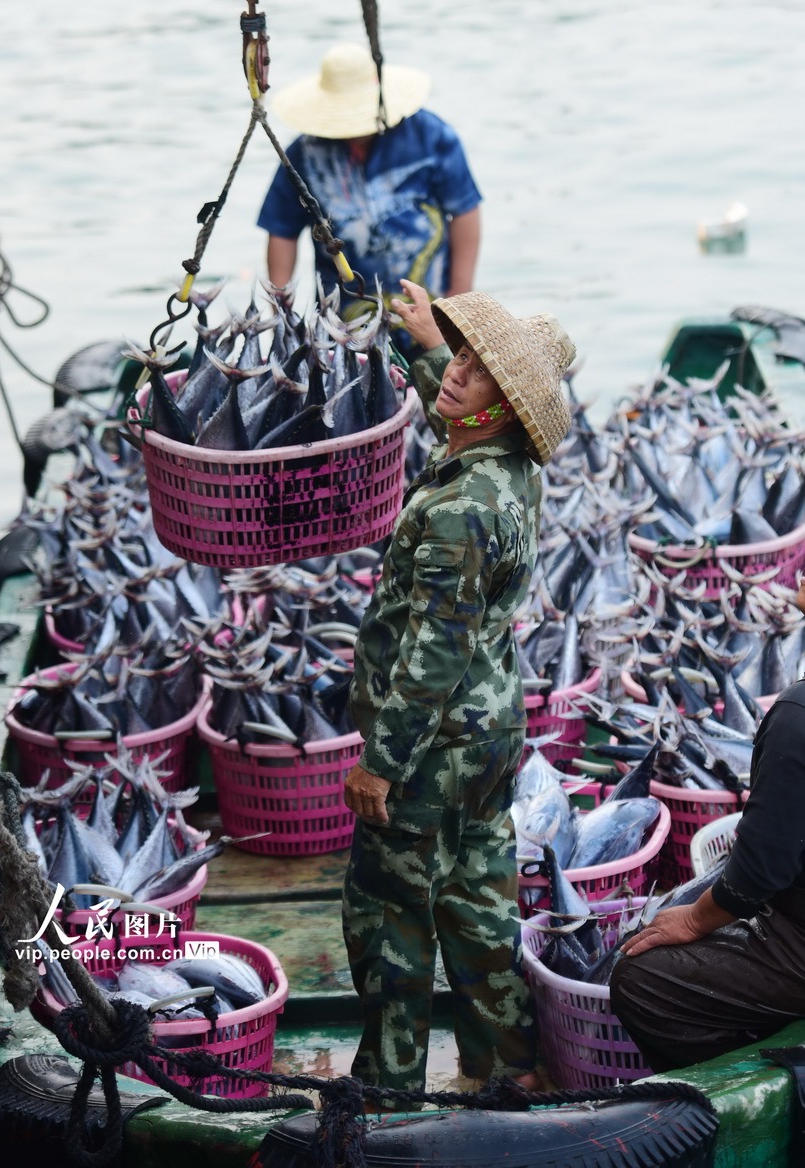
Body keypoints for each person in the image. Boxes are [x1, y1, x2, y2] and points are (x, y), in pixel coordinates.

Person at [341, 278, 576, 1103]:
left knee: (391, 911)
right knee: (479, 896)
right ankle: (505, 1061)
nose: (457, 375)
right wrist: (425, 348)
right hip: (490, 733)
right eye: (461, 359)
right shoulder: (510, 470)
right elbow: (466, 405)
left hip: (431, 746)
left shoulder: (460, 510)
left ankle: (389, 1086)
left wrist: (380, 762)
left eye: (476, 370)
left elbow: (431, 655)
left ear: (504, 405)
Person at [611, 571, 805, 1073]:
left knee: (639, 979)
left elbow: (758, 875)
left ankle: (742, 1087)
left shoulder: (797, 716)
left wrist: (696, 919)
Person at [256, 43, 482, 358]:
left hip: (432, 313)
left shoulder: (431, 136)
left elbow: (465, 211)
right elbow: (281, 230)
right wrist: (281, 313)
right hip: (343, 323)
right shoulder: (304, 155)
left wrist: (459, 298)